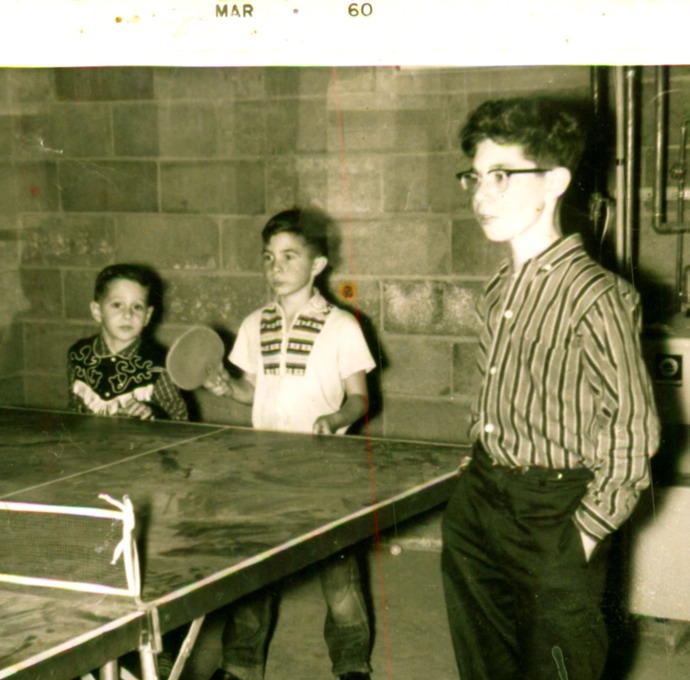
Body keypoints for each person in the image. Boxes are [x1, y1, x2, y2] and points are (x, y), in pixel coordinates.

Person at [441, 97, 660, 680]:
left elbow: (632, 432)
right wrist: (475, 477)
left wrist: (585, 534)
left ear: (556, 182)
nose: (481, 196)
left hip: (555, 513)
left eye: (503, 177)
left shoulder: (598, 295)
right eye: (476, 177)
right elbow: (494, 397)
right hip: (482, 498)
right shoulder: (498, 291)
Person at [202, 208, 375, 680]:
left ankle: (352, 663)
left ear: (317, 264)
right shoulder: (255, 323)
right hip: (266, 467)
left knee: (338, 580)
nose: (275, 268)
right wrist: (227, 390)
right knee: (254, 576)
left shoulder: (342, 326)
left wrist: (336, 417)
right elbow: (251, 391)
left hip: (325, 470)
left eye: (288, 256)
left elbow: (360, 397)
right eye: (268, 257)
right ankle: (240, 665)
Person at [67, 262, 187, 421]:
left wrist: (152, 412)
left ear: (147, 316)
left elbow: (180, 418)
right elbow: (74, 410)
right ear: (97, 311)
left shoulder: (159, 364)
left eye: (137, 307)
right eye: (117, 305)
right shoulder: (79, 355)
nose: (128, 315)